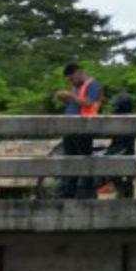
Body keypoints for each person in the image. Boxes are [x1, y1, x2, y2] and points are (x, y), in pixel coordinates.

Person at [54, 63, 102, 198]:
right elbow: (75, 104)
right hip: (70, 127)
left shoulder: (93, 85)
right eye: (68, 80)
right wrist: (65, 98)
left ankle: (87, 192)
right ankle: (68, 192)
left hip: (84, 128)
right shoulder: (76, 86)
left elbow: (89, 103)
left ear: (79, 72)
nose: (71, 82)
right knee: (70, 159)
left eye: (72, 78)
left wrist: (70, 96)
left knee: (85, 159)